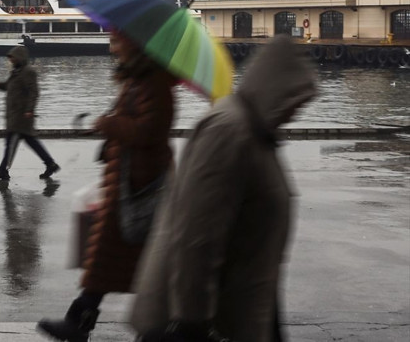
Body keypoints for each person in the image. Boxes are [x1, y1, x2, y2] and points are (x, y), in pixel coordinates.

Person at [130, 35, 316, 342]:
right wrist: (193, 321)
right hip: (206, 319)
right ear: (276, 89)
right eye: (294, 100)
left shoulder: (258, 132)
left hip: (244, 307)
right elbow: (196, 236)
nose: (296, 111)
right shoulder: (230, 130)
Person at [37, 30, 177, 342]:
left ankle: (163, 326)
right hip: (126, 179)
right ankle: (80, 322)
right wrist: (109, 123)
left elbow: (151, 130)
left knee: (141, 259)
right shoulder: (138, 79)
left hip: (141, 186)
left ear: (135, 44)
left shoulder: (153, 82)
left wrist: (111, 124)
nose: (112, 48)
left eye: (117, 41)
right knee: (113, 256)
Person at [0, 46, 59, 180]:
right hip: (15, 114)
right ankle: (50, 164)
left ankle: (3, 170)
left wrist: (29, 110)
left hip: (21, 116)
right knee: (31, 141)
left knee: (11, 143)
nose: (11, 60)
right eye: (10, 58)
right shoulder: (16, 72)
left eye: (13, 57)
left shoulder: (28, 72)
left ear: (20, 58)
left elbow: (34, 92)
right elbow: (8, 87)